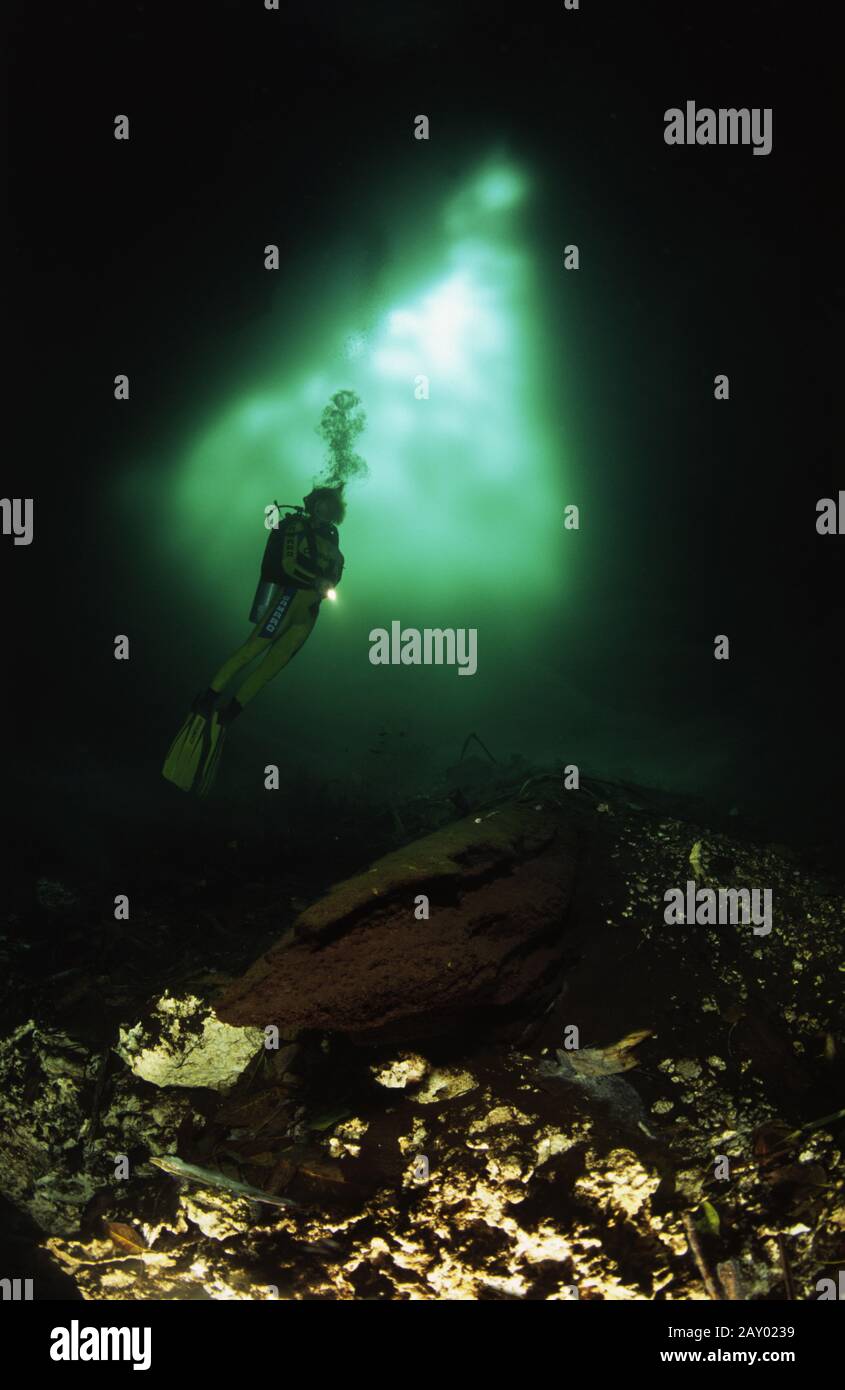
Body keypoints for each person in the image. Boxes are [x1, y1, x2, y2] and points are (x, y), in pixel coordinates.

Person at [162, 485, 346, 795]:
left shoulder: (333, 538)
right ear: (313, 504)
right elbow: (288, 566)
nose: (325, 512)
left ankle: (229, 713)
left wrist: (328, 582)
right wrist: (316, 580)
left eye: (331, 507)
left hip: (309, 614)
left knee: (269, 669)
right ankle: (208, 699)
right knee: (251, 650)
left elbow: (337, 571)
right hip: (288, 600)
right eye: (322, 505)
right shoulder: (296, 526)